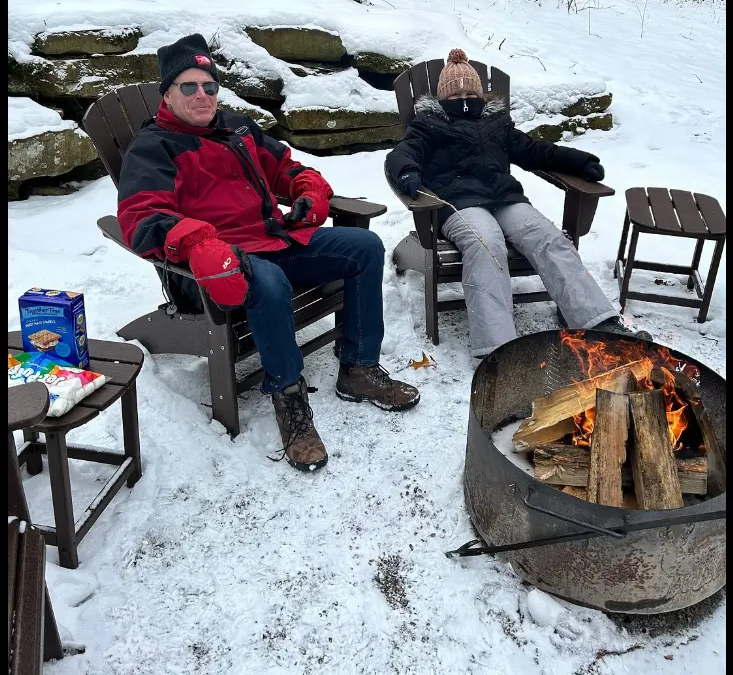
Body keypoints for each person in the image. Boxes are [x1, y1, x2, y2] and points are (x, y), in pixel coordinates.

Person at [117, 33, 419, 471]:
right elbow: (140, 217)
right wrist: (198, 241)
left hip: (273, 239)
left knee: (366, 247)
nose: (202, 95)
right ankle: (290, 398)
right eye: (189, 86)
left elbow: (289, 169)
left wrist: (309, 192)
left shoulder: (238, 128)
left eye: (209, 86)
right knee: (271, 283)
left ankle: (358, 368)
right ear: (167, 92)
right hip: (218, 268)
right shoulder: (154, 148)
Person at [386, 49, 651, 359]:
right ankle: (499, 350)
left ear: (480, 92)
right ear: (442, 95)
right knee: (487, 245)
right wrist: (407, 172)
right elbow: (401, 155)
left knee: (548, 238)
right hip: (459, 203)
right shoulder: (429, 123)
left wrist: (577, 161)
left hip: (504, 199)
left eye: (470, 89)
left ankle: (600, 323)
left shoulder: (495, 122)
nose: (464, 95)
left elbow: (534, 151)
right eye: (455, 90)